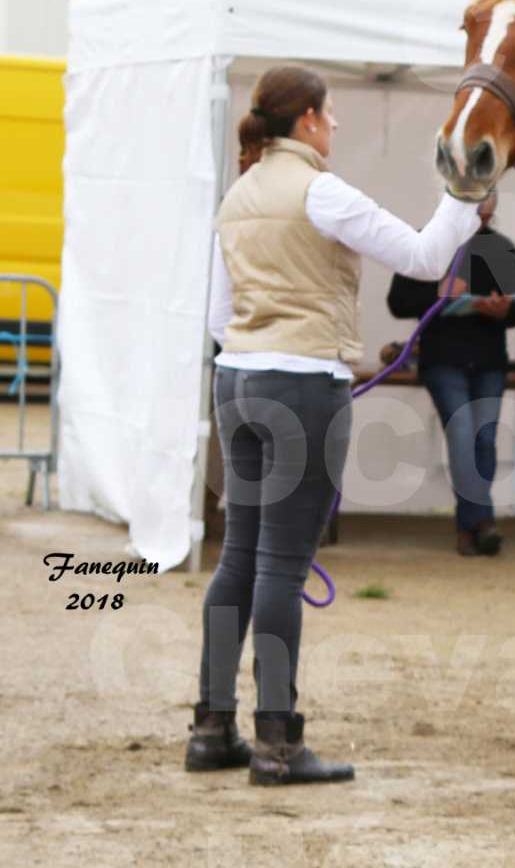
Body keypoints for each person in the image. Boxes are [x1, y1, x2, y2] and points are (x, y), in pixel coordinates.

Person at [190, 65, 480, 786]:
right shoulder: (321, 190)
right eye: (332, 114)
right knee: (282, 570)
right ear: (309, 121)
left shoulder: (238, 194)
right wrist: (466, 197)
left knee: (238, 562)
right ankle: (279, 746)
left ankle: (211, 727)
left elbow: (217, 319)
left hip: (237, 382)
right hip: (302, 386)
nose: (337, 126)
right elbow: (422, 256)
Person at [387, 193, 515, 557]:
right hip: (443, 359)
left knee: (483, 438)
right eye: (476, 216)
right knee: (463, 432)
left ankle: (470, 526)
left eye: (487, 218)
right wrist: (439, 293)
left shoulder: (501, 248)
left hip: (488, 359)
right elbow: (398, 302)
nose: (481, 224)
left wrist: (501, 310)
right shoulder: (425, 242)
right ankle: (481, 522)